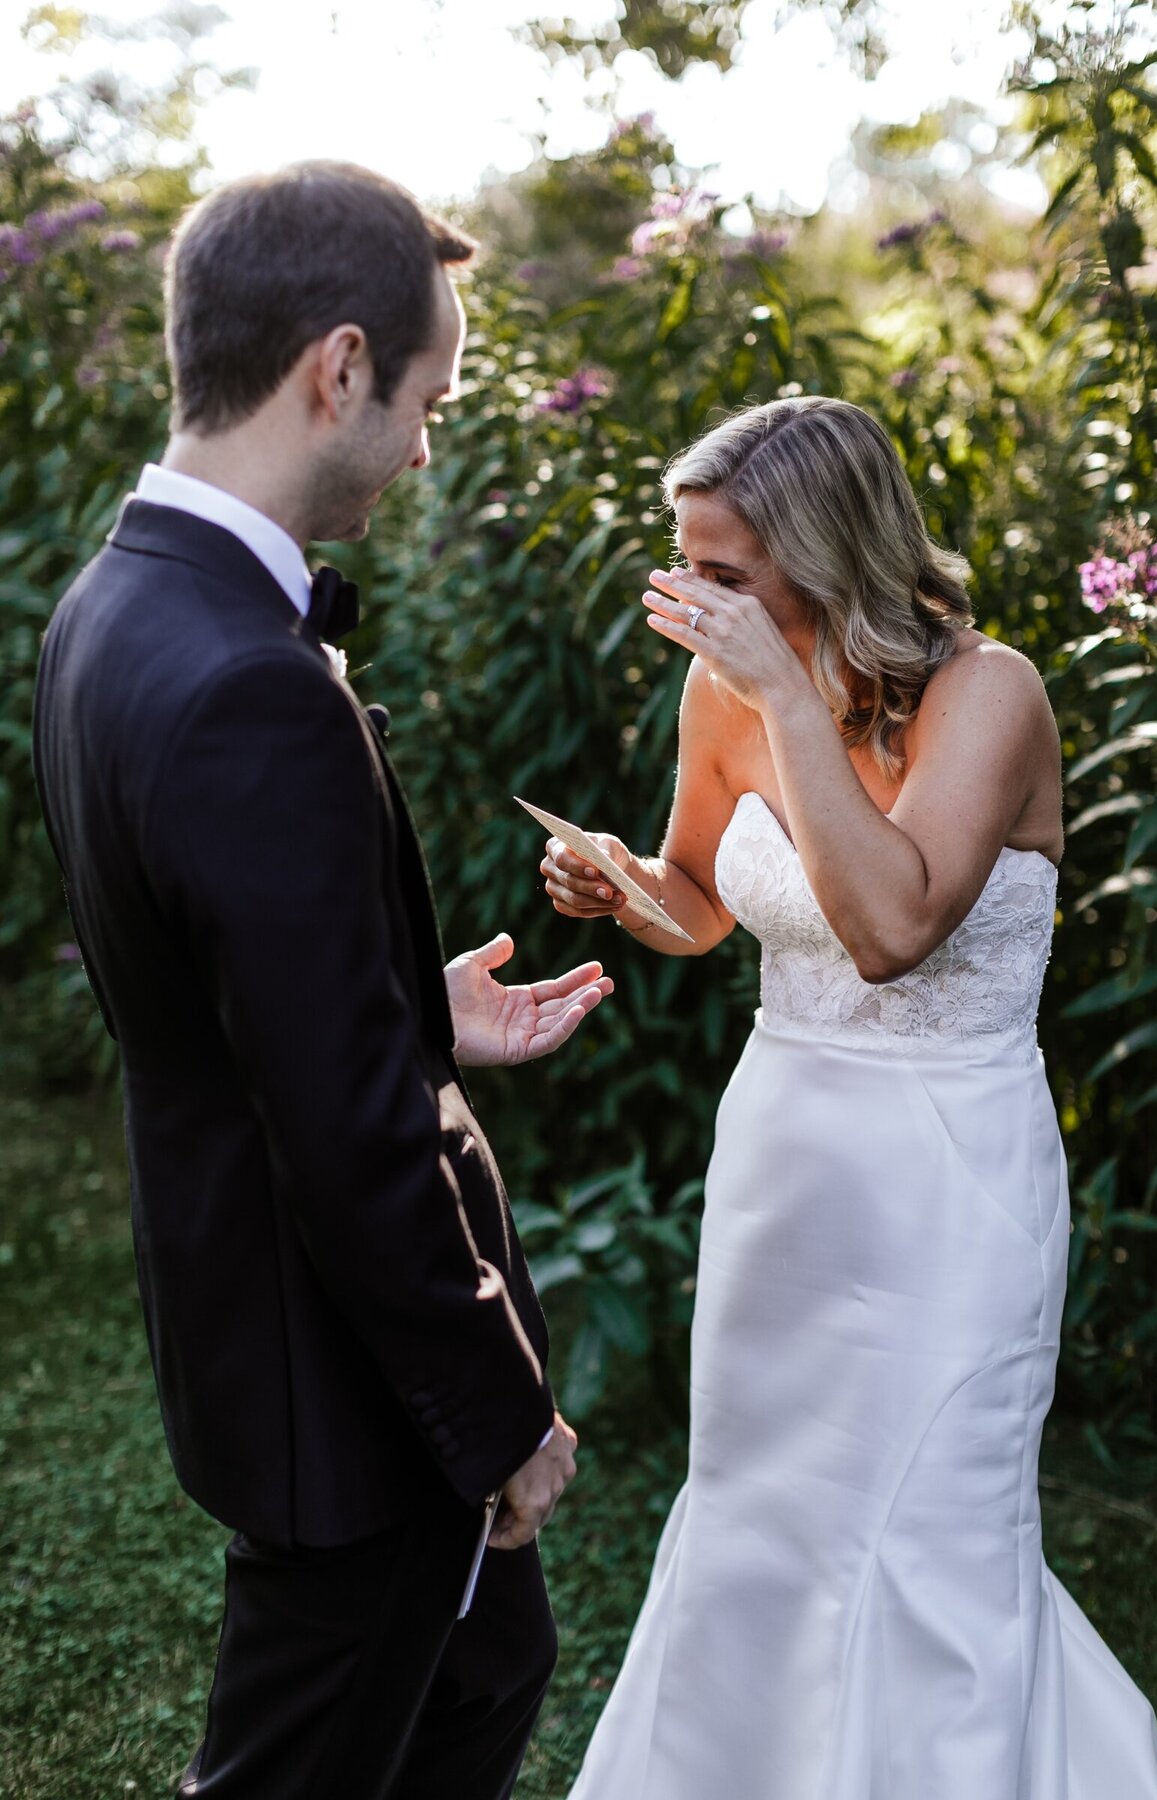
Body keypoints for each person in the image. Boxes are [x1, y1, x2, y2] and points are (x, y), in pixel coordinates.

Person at [32, 161, 612, 1800]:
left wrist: (404, 1003)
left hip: (251, 1325)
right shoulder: (248, 683)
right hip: (339, 1385)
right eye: (428, 396)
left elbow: (216, 981)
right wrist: (498, 1416)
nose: (429, 443)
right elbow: (353, 1145)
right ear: (337, 369)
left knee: (491, 1670)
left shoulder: (109, 608)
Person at [541, 396, 1157, 1800]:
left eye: (727, 575)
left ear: (828, 555)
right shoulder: (729, 690)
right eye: (686, 565)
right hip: (787, 1164)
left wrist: (778, 693)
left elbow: (893, 931)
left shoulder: (988, 692)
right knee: (761, 1522)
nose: (696, 603)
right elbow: (709, 898)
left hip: (951, 1175)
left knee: (937, 1539)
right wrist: (626, 890)